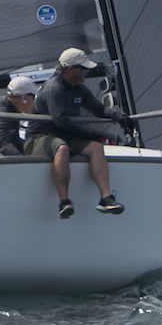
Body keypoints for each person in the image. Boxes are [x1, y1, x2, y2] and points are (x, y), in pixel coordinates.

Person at [33, 49, 123, 217]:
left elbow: (99, 109)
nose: (87, 72)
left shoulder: (79, 89)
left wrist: (118, 116)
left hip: (65, 135)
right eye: (83, 68)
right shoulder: (54, 88)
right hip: (40, 136)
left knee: (96, 147)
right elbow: (61, 122)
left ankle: (105, 199)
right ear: (69, 69)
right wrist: (90, 133)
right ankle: (64, 202)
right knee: (62, 148)